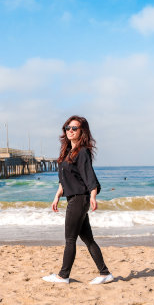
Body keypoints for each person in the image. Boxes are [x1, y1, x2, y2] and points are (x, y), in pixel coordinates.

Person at [42, 116, 114, 285]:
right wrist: (57, 196)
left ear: (82, 131)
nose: (70, 131)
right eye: (68, 128)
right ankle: (105, 273)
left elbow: (89, 176)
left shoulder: (82, 152)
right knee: (88, 239)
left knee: (70, 239)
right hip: (73, 197)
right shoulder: (67, 151)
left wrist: (93, 196)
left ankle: (63, 275)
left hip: (80, 199)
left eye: (74, 128)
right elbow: (65, 179)